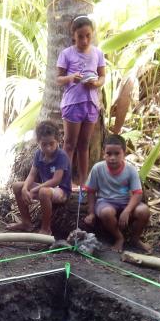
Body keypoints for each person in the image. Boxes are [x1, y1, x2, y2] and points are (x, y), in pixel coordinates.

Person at [57, 15, 105, 190]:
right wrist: (71, 78)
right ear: (73, 36)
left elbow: (102, 76)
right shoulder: (66, 54)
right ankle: (65, 182)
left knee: (84, 145)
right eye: (80, 37)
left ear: (92, 34)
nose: (84, 40)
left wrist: (96, 83)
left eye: (88, 36)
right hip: (72, 104)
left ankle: (84, 182)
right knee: (69, 144)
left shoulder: (97, 53)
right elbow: (58, 79)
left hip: (91, 103)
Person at [83, 134, 150, 253]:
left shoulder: (130, 170)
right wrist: (91, 212)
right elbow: (91, 191)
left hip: (125, 202)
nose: (112, 158)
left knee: (143, 211)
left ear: (124, 153)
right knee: (106, 213)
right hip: (105, 202)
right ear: (104, 153)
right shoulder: (97, 168)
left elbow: (137, 193)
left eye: (117, 154)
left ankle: (135, 239)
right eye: (108, 154)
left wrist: (127, 210)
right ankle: (119, 238)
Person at [7, 120, 71, 235]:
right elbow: (32, 174)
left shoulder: (61, 156)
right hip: (46, 188)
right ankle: (26, 223)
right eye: (44, 144)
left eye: (51, 143)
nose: (48, 148)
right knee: (17, 186)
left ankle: (46, 228)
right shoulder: (38, 154)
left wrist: (34, 190)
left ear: (58, 140)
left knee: (43, 192)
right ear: (38, 142)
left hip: (61, 191)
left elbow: (56, 180)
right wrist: (25, 188)